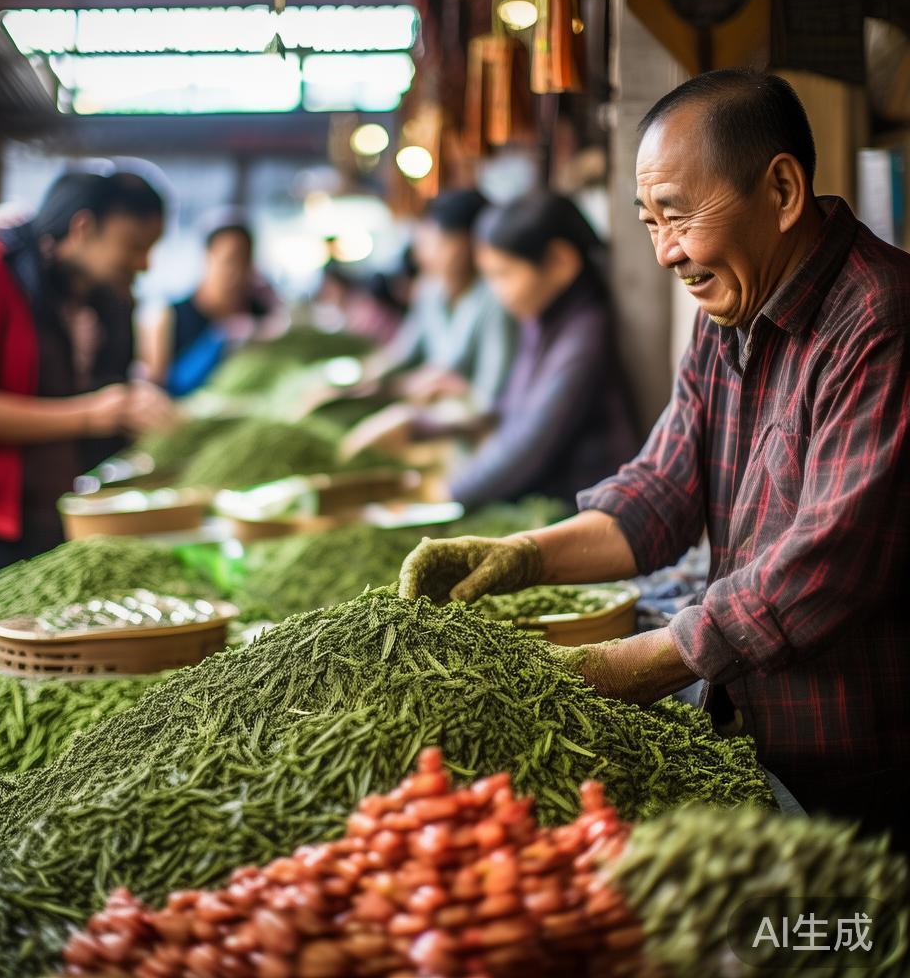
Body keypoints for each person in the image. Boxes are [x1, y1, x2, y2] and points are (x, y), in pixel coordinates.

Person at [398, 69, 910, 849]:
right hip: (748, 745)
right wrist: (516, 557)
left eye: (678, 216)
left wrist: (619, 669)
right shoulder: (729, 306)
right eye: (647, 223)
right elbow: (662, 490)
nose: (668, 252)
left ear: (780, 190)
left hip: (861, 763)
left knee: (840, 950)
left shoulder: (881, 320)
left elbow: (824, 568)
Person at [0, 170, 177, 659]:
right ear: (84, 227)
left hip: (27, 514)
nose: (144, 264)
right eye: (133, 246)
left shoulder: (75, 292)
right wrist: (93, 414)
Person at [431, 192, 638, 510]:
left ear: (560, 262)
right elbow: (512, 412)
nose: (497, 293)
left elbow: (528, 446)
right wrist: (422, 427)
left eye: (504, 274)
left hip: (581, 509)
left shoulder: (585, 332)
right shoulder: (541, 320)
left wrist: (446, 492)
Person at [363, 189, 516, 411]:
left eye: (439, 241)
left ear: (472, 242)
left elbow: (491, 395)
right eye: (424, 241)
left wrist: (454, 389)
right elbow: (403, 353)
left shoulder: (495, 299)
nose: (424, 253)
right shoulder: (429, 291)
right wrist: (364, 378)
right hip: (430, 413)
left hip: (467, 426)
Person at [141, 218, 281, 396]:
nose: (237, 272)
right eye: (229, 260)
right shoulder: (168, 316)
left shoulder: (258, 316)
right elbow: (158, 385)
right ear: (207, 257)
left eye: (245, 262)